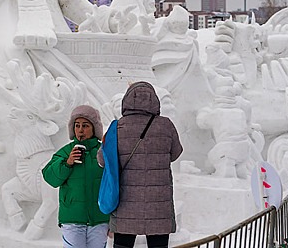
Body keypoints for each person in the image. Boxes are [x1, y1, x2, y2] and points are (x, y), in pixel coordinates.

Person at [110, 81, 183, 248]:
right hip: (159, 204)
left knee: (123, 245)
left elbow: (102, 159)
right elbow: (176, 153)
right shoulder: (166, 124)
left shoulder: (118, 126)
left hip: (125, 202)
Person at [42, 105, 109, 248]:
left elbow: (114, 182)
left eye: (85, 125)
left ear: (94, 129)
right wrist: (67, 163)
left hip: (100, 219)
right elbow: (50, 178)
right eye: (77, 125)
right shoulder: (66, 152)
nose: (80, 129)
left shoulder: (104, 152)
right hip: (72, 219)